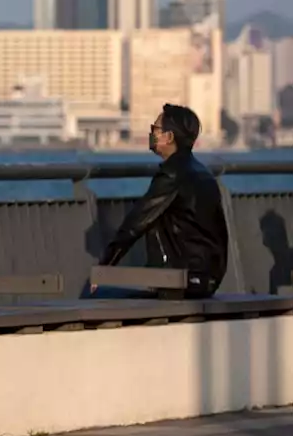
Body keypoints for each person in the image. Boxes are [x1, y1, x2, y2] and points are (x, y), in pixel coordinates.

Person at [88, 104, 229, 300]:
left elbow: (136, 223)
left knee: (97, 296)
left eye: (155, 129)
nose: (151, 134)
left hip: (179, 280)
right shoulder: (203, 174)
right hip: (206, 279)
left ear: (169, 137)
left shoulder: (172, 175)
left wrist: (104, 267)